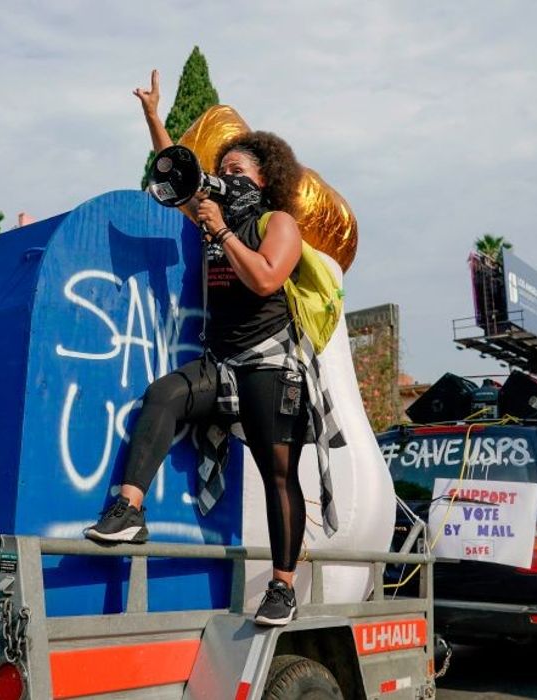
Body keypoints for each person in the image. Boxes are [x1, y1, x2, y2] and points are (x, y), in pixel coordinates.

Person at [85, 70, 343, 627]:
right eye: (221, 169)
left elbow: (268, 279)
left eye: (236, 171)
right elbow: (174, 172)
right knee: (163, 394)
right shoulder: (209, 215)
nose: (224, 177)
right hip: (222, 362)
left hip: (272, 362)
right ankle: (129, 508)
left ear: (264, 180)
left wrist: (223, 232)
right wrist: (154, 118)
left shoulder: (279, 224)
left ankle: (282, 586)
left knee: (279, 473)